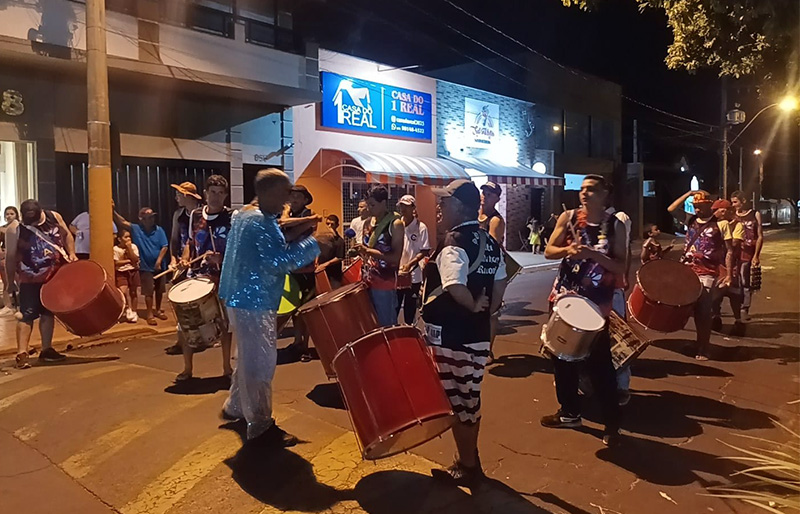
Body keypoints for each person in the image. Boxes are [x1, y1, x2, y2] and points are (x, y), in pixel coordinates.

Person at [218, 168, 320, 447]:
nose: (287, 202)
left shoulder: (243, 215)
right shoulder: (262, 223)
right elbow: (278, 263)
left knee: (247, 358)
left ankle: (236, 405)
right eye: (283, 195)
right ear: (268, 193)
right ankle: (260, 425)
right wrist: (313, 245)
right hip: (256, 300)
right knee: (260, 364)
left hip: (237, 297)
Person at [421, 179, 505, 486]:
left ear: (459, 207)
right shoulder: (490, 243)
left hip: (452, 336)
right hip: (478, 337)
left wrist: (470, 305)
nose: (439, 209)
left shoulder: (453, 242)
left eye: (444, 203)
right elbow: (500, 286)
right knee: (470, 398)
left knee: (458, 401)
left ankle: (467, 464)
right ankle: (470, 458)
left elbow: (454, 285)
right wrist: (484, 309)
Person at [541, 175, 625, 446]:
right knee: (561, 357)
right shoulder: (568, 218)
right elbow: (548, 251)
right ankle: (569, 412)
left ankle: (612, 424)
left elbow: (620, 266)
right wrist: (568, 248)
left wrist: (592, 254)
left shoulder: (615, 226)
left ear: (605, 194)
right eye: (583, 189)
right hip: (567, 297)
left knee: (600, 364)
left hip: (596, 305)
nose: (584, 194)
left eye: (591, 189)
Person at [4, 200, 77, 368]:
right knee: (26, 314)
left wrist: (72, 253)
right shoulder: (14, 229)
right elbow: (10, 258)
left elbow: (66, 235)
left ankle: (47, 349)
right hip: (30, 277)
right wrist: (10, 283)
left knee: (48, 311)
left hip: (53, 275)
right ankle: (22, 352)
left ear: (40, 212)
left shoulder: (54, 217)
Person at [177, 174, 234, 381]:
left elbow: (237, 248)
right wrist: (185, 259)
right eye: (213, 192)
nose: (216, 197)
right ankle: (187, 369)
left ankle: (227, 367)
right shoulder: (195, 215)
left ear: (225, 195)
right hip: (198, 276)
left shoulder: (231, 217)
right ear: (205, 193)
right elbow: (190, 244)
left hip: (222, 277)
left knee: (224, 323)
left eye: (220, 193)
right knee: (186, 323)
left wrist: (222, 256)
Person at [668, 191, 736, 360]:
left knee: (703, 309)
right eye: (696, 206)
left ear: (709, 205)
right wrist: (689, 193)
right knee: (687, 307)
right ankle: (699, 343)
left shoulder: (721, 224)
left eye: (701, 206)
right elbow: (671, 209)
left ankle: (703, 347)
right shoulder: (690, 220)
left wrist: (729, 275)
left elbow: (730, 251)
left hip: (707, 272)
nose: (698, 210)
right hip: (687, 270)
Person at [282, 184, 322, 362]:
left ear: (305, 200)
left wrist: (287, 222)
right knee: (293, 310)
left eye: (298, 197)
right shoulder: (294, 215)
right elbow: (282, 225)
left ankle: (305, 346)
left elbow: (288, 236)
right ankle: (297, 342)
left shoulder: (308, 214)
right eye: (292, 196)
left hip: (306, 270)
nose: (293, 200)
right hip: (291, 269)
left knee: (305, 311)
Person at [354, 186, 404, 327]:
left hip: (385, 283)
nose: (369, 208)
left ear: (383, 203)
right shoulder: (367, 223)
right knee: (368, 324)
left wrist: (368, 251)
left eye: (373, 205)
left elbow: (395, 257)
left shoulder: (395, 224)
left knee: (386, 325)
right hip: (366, 280)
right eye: (367, 204)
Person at [113, 206, 169, 326]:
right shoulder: (137, 229)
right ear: (141, 219)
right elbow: (122, 222)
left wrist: (159, 261)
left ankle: (158, 310)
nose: (150, 220)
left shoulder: (159, 230)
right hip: (145, 266)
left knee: (159, 290)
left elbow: (164, 246)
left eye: (152, 217)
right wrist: (112, 210)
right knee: (148, 291)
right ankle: (149, 314)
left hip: (159, 266)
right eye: (147, 218)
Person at [479, 182, 506, 363]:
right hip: (476, 267)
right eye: (484, 192)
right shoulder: (475, 214)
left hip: (491, 268)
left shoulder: (495, 220)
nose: (485, 196)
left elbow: (492, 246)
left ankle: (488, 350)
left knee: (491, 311)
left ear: (497, 198)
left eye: (489, 194)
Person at [710, 199, 745, 334]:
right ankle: (716, 317)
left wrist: (725, 231)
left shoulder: (737, 225)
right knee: (715, 295)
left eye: (726, 210)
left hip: (732, 265)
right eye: (720, 210)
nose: (723, 213)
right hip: (716, 265)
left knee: (734, 294)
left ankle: (738, 320)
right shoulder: (713, 225)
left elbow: (734, 244)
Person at [396, 195, 431, 325]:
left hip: (413, 274)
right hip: (397, 272)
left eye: (406, 206)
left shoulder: (421, 227)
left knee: (410, 309)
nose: (403, 209)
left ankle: (409, 334)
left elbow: (425, 250)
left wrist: (410, 264)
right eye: (401, 206)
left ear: (413, 208)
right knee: (395, 307)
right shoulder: (396, 224)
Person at [731, 190, 763, 322]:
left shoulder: (755, 214)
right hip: (733, 253)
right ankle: (736, 307)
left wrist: (756, 255)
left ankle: (745, 308)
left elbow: (760, 235)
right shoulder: (731, 215)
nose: (733, 205)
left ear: (743, 201)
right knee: (734, 280)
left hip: (747, 253)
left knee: (745, 280)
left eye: (735, 202)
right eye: (732, 202)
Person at [169, 181, 202, 268]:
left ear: (186, 195)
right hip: (182, 261)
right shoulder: (178, 214)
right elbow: (174, 240)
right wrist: (173, 258)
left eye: (178, 195)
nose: (176, 198)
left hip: (198, 260)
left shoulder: (203, 213)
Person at [113, 229, 140, 323]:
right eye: (126, 237)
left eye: (129, 236)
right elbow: (116, 262)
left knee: (133, 292)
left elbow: (135, 259)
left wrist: (129, 248)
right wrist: (128, 261)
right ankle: (127, 308)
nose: (128, 239)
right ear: (120, 239)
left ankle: (134, 311)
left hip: (133, 271)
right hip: (121, 272)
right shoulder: (116, 249)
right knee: (122, 291)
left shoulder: (133, 247)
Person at [316, 214, 346, 288]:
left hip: (334, 275)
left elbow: (340, 257)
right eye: (327, 224)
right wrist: (316, 261)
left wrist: (325, 264)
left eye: (332, 224)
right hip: (321, 272)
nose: (329, 226)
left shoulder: (340, 241)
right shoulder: (322, 238)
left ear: (337, 225)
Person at [1, 206, 20, 316]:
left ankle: (22, 305)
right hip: (5, 259)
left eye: (11, 213)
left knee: (20, 282)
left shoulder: (20, 228)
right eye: (7, 214)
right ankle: (7, 305)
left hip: (18, 259)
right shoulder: (2, 229)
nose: (9, 216)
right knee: (6, 282)